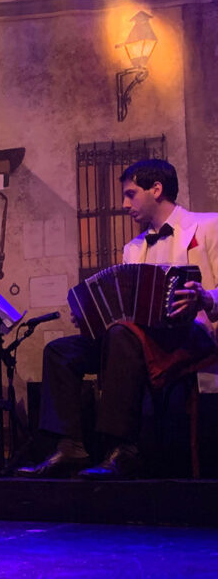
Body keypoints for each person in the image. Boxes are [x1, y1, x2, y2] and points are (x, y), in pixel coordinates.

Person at [16, 159, 218, 480]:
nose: (124, 204)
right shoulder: (132, 249)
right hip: (133, 341)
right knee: (61, 351)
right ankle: (70, 446)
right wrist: (91, 315)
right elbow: (122, 309)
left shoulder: (209, 226)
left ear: (157, 189)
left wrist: (207, 298)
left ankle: (122, 449)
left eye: (131, 194)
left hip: (188, 337)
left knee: (122, 335)